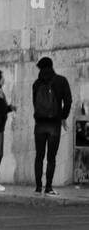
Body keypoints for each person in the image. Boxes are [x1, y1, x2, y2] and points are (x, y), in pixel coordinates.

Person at [31, 55, 73, 195]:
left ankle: (38, 187)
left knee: (39, 156)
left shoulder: (36, 84)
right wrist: (63, 117)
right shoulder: (61, 81)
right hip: (54, 124)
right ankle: (48, 187)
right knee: (51, 158)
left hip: (40, 124)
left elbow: (35, 104)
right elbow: (68, 101)